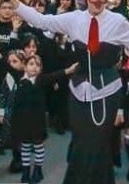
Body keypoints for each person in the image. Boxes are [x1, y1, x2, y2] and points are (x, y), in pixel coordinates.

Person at [9, 0, 129, 184]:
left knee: (99, 143)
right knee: (81, 142)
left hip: (108, 91)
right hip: (78, 91)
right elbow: (41, 20)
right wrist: (14, 2)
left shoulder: (118, 21)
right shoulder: (74, 19)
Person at [12, 55, 77, 183]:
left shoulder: (41, 80)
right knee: (25, 146)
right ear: (24, 66)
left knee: (38, 145)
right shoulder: (20, 81)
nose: (34, 67)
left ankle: (37, 169)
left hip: (38, 120)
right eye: (31, 64)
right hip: (23, 120)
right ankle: (26, 170)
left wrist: (68, 71)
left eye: (38, 65)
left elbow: (53, 76)